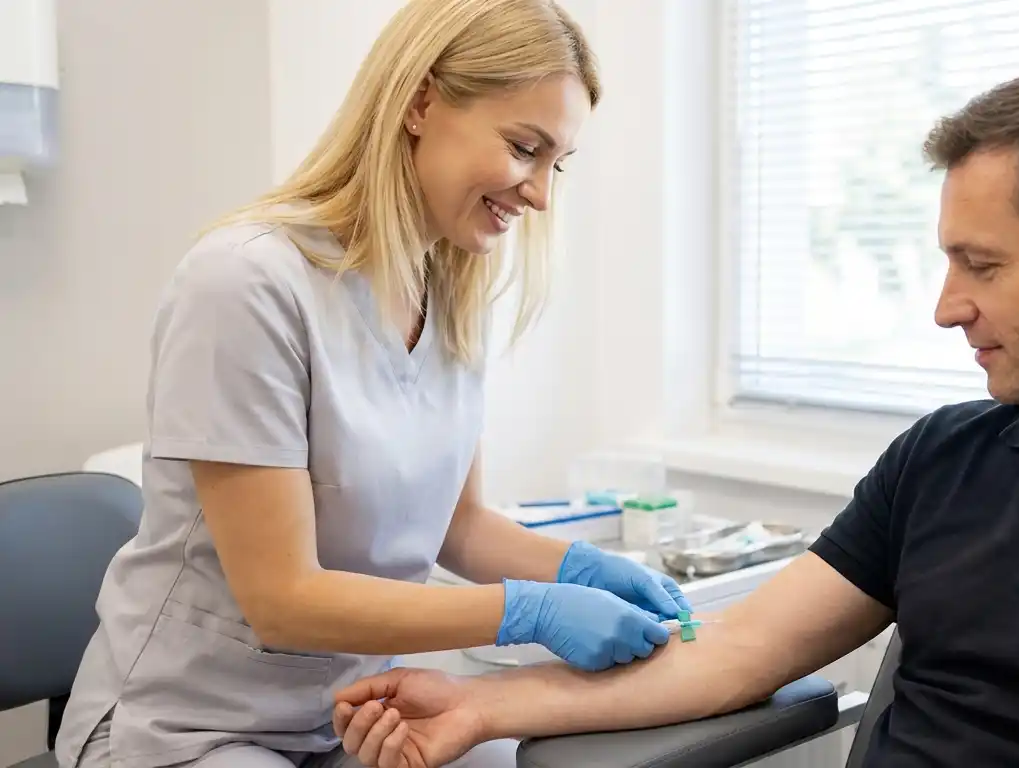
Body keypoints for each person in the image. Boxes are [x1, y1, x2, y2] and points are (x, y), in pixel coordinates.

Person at [330, 63, 1019, 768]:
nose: (946, 304)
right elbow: (737, 654)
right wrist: (480, 705)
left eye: (983, 265)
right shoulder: (947, 456)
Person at [53, 2, 693, 767]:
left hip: (351, 714)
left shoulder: (450, 296)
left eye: (557, 163)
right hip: (187, 726)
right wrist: (526, 611)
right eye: (525, 149)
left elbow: (459, 528)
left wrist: (583, 570)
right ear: (421, 102)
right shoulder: (247, 282)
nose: (540, 195)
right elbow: (281, 599)